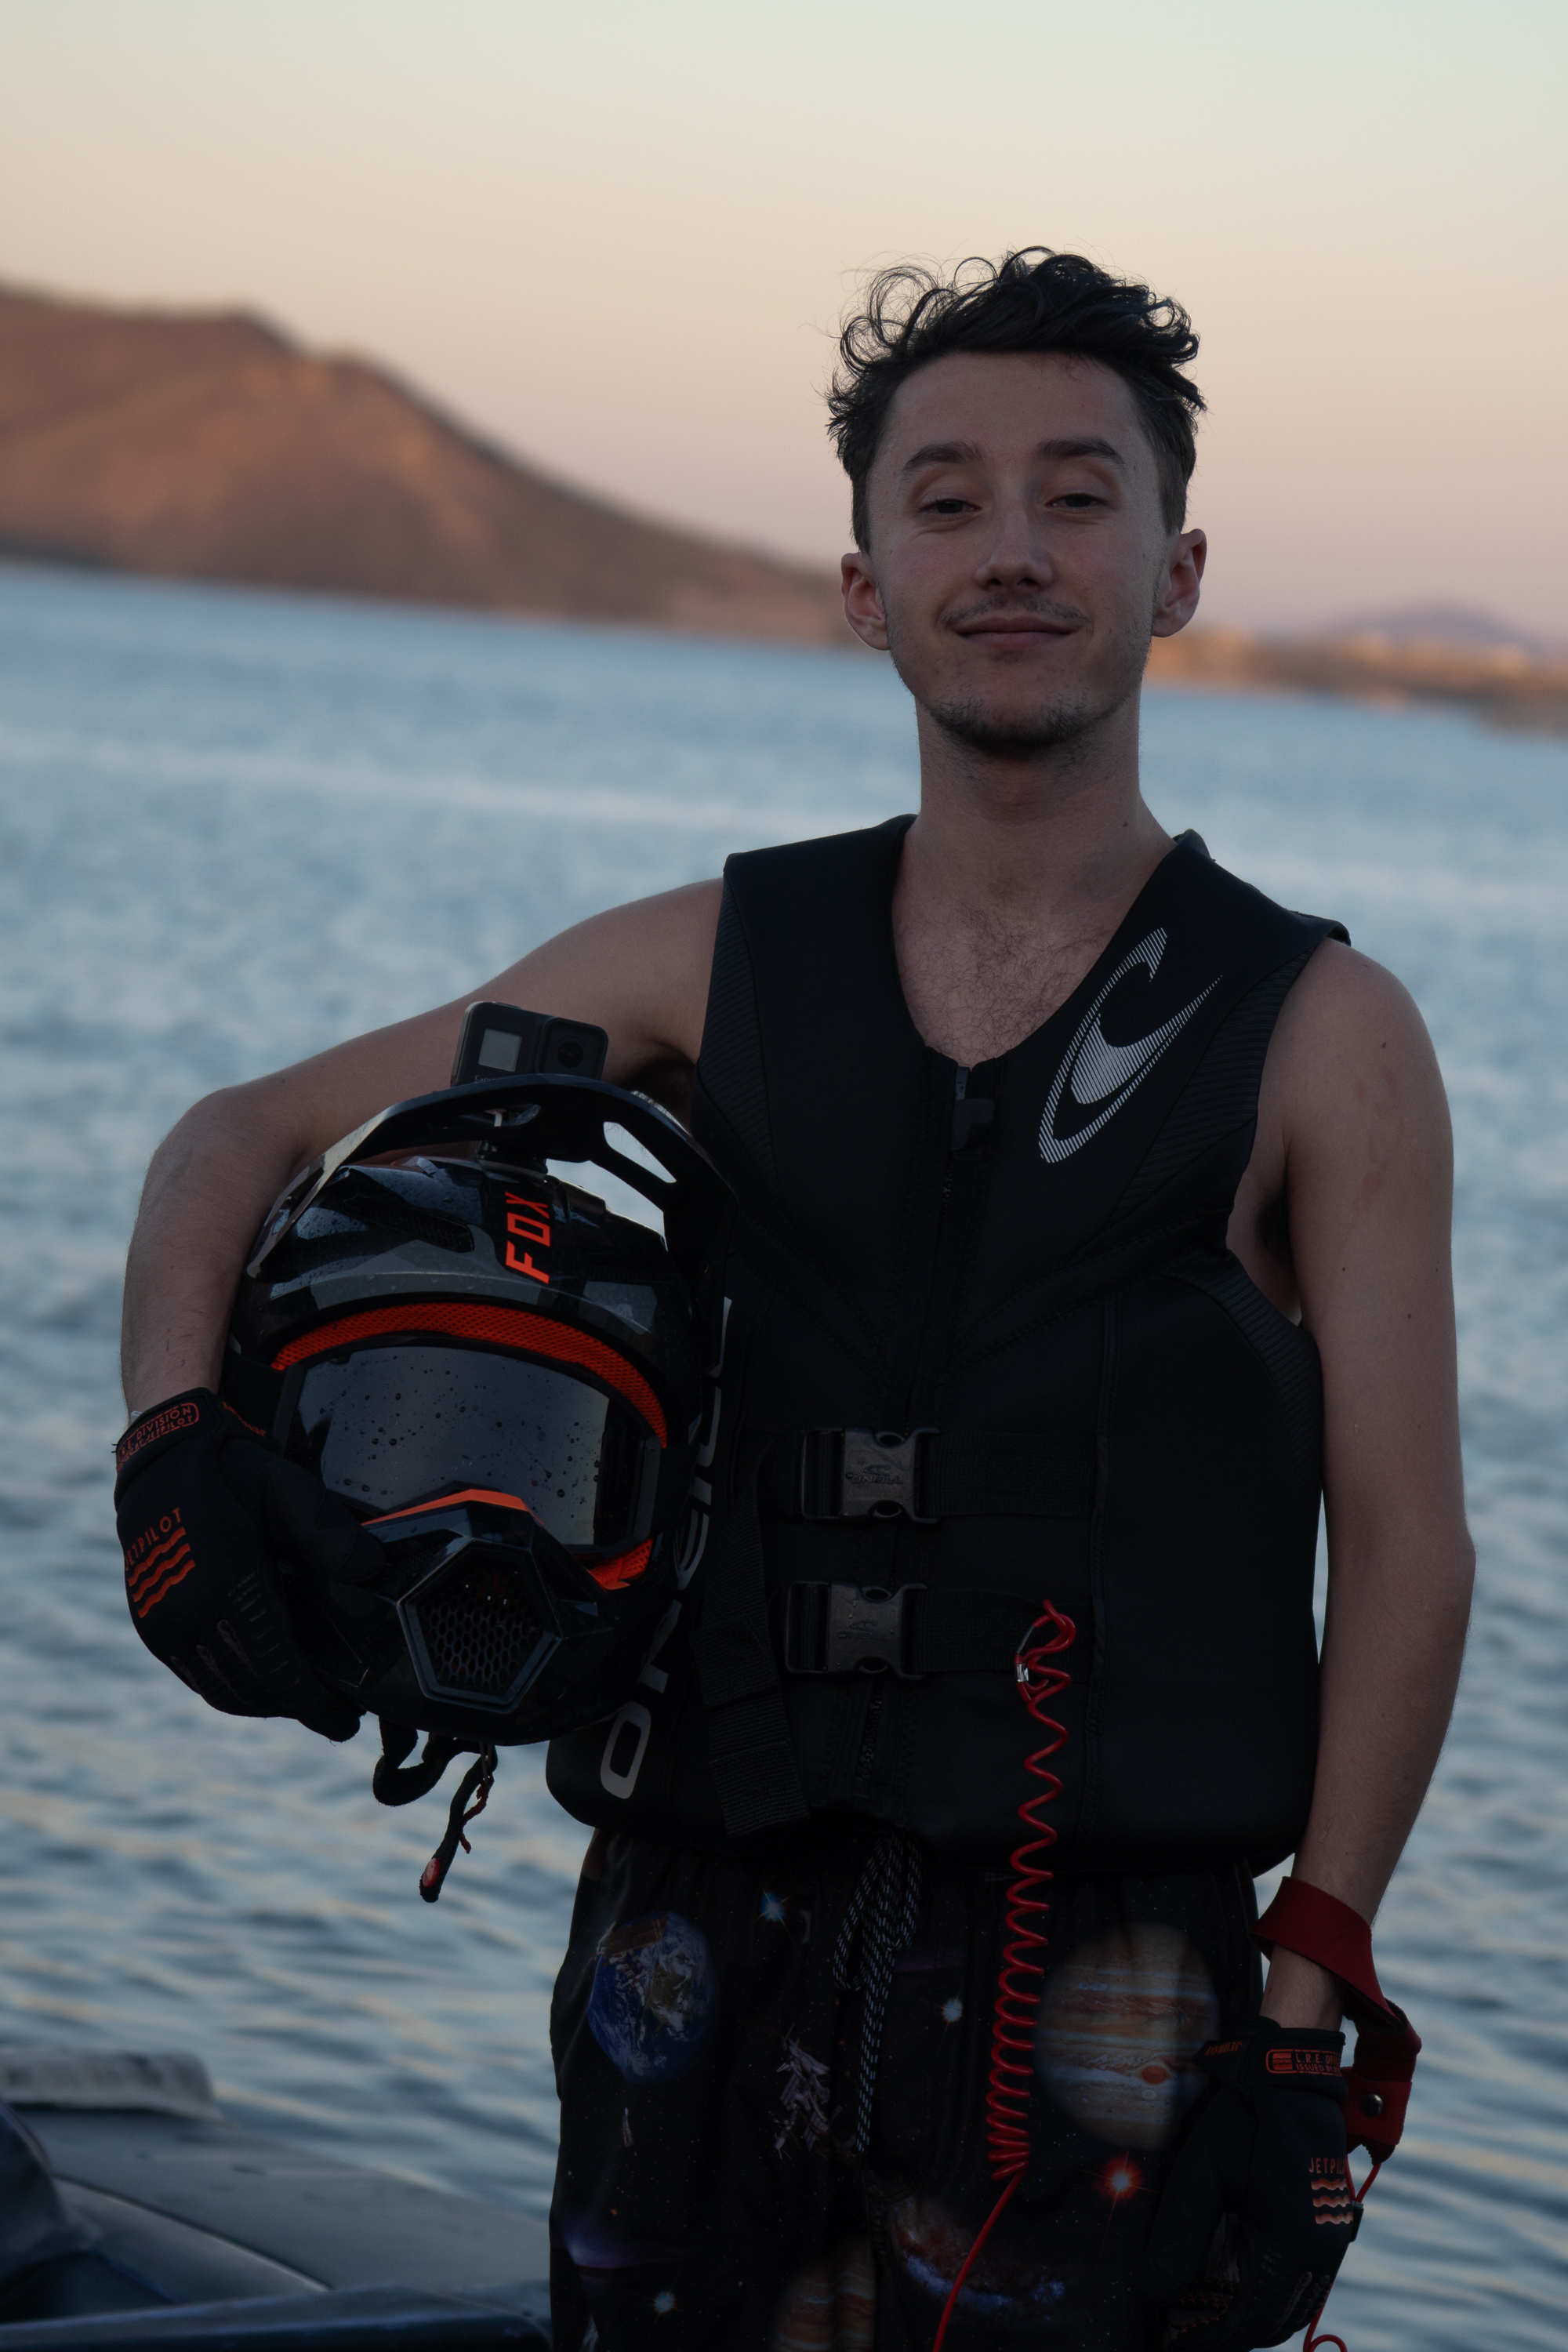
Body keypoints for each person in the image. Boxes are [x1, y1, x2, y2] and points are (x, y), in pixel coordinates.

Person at [117, 250, 1474, 2350]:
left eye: (1076, 496)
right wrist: (171, 1464)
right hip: (689, 1948)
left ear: (1179, 568)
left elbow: (1404, 1540)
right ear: (861, 585)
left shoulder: (1322, 1033)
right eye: (943, 500)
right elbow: (238, 1139)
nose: (1009, 549)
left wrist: (1321, 1968)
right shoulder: (705, 970)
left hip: (1117, 1996)